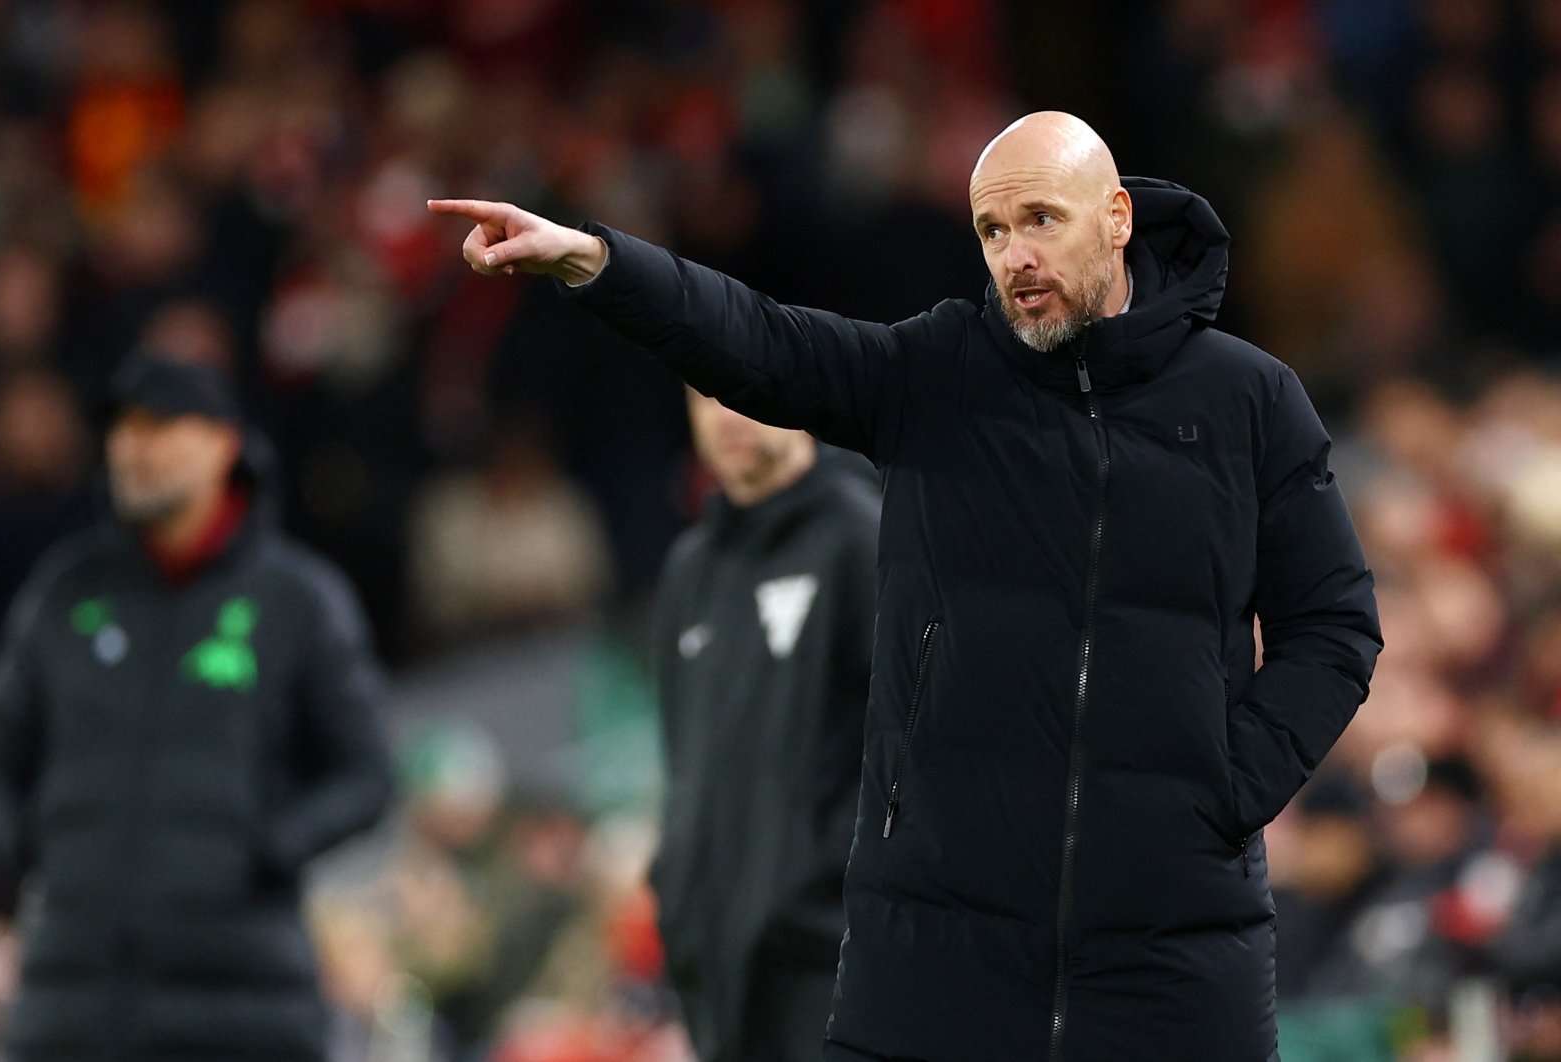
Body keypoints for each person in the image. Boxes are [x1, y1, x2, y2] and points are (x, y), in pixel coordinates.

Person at [429, 110, 1383, 1062]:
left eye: (1041, 220)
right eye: (993, 232)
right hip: (935, 947)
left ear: (1119, 217)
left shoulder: (1249, 401)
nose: (1015, 256)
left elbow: (1334, 625)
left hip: (1175, 946)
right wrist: (593, 261)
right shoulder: (941, 371)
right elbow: (765, 344)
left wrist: (1223, 787)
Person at [0, 352, 394, 1061]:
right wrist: (33, 848)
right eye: (122, 428)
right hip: (70, 1005)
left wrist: (266, 846)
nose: (134, 447)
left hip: (246, 1005)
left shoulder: (297, 601)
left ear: (224, 445)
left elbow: (366, 774)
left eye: (161, 425)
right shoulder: (67, 593)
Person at [650, 390, 878, 1060]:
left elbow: (920, 760)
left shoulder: (864, 539)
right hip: (717, 971)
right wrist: (677, 893)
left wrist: (817, 895)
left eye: (744, 389)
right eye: (702, 396)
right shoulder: (689, 571)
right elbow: (682, 766)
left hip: (829, 967)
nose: (726, 415)